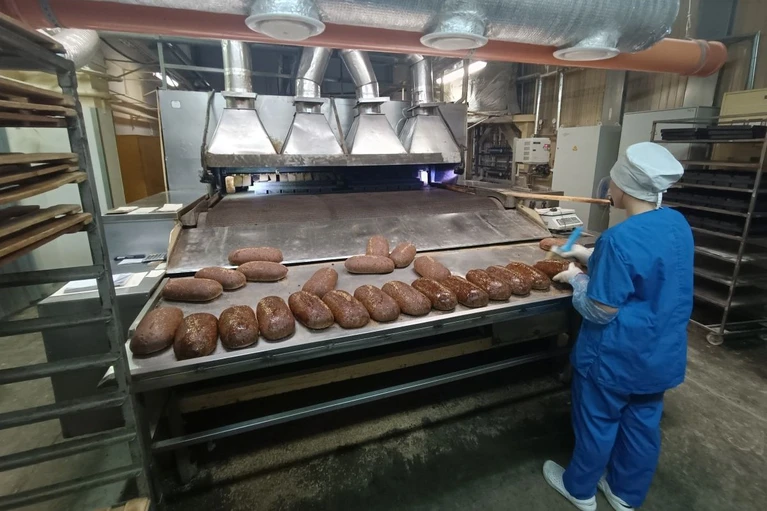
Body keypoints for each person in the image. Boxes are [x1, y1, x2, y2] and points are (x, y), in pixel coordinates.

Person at [542, 142, 694, 511]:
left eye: (612, 180)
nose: (608, 186)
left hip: (615, 357)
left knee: (598, 422)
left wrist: (577, 278)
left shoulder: (618, 239)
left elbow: (599, 310)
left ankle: (579, 489)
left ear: (623, 187)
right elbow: (647, 267)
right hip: (659, 354)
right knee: (642, 425)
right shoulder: (676, 224)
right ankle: (625, 494)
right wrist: (586, 254)